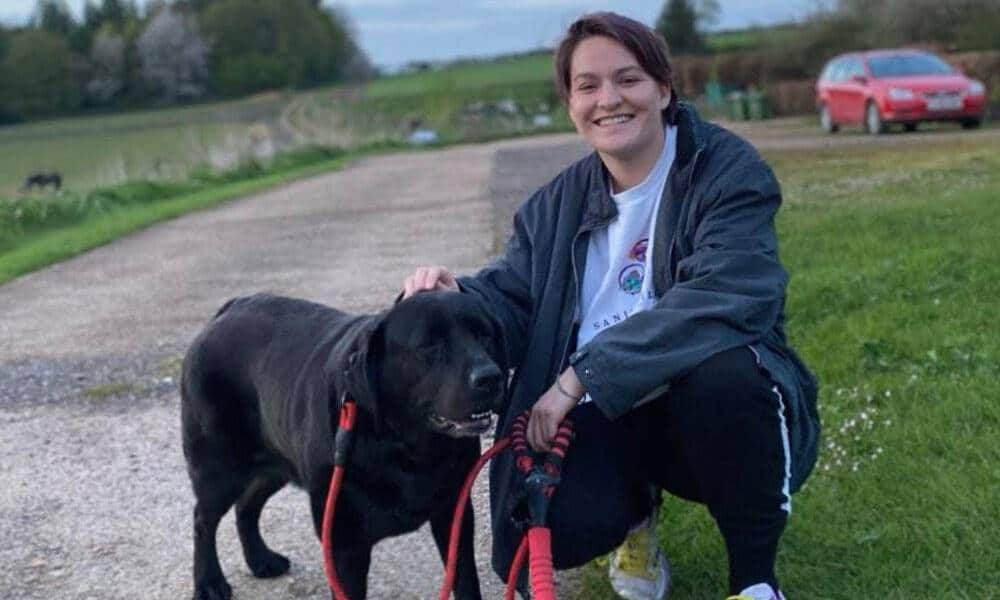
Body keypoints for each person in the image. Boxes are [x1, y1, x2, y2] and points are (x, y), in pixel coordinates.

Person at [402, 11, 819, 600]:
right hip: (602, 413)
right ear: (571, 104)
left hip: (694, 402)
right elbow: (515, 293)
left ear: (663, 89)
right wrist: (458, 297)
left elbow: (728, 293)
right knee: (543, 538)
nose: (609, 99)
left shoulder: (726, 170)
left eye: (629, 79)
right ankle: (636, 516)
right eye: (588, 85)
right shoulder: (551, 205)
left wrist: (579, 376)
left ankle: (754, 580)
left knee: (726, 376)